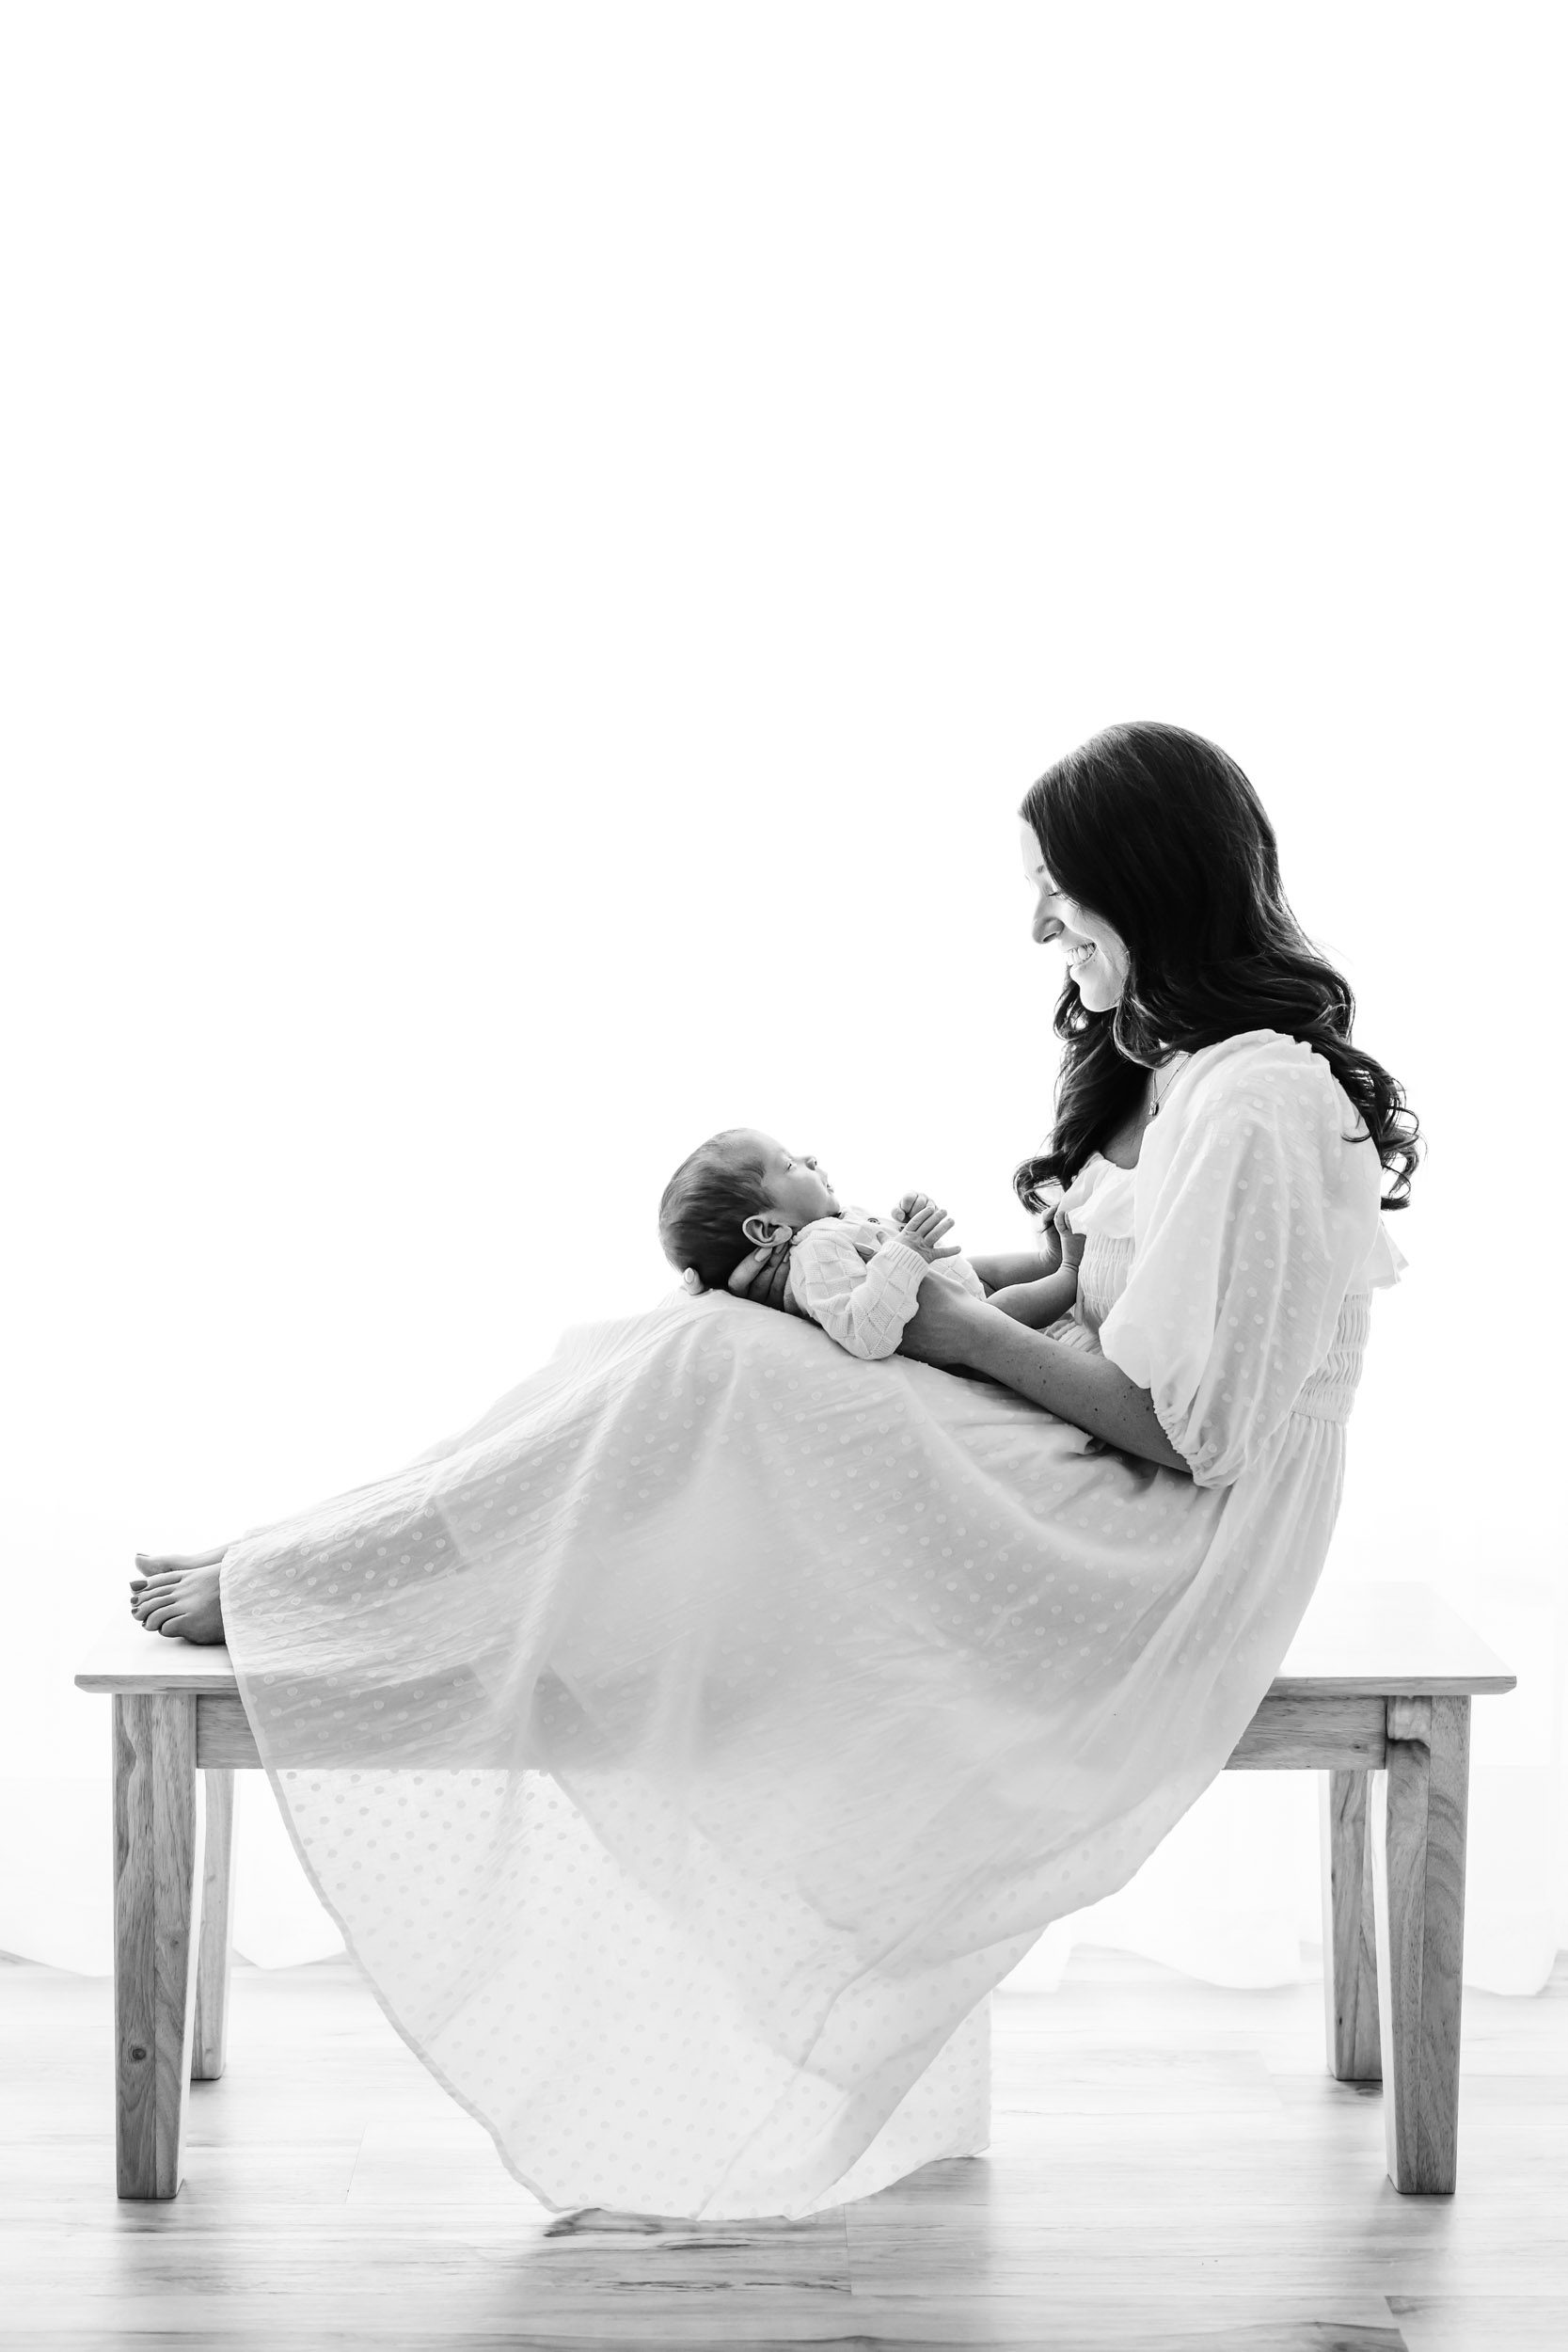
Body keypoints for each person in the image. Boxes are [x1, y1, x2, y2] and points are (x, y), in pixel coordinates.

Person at [127, 720, 1417, 2225]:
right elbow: (1089, 1291)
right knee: (673, 1345)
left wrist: (930, 1325)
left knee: (702, 1367)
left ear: (1146, 884)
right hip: (1092, 1475)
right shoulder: (1195, 1072)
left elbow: (1179, 1428)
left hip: (1156, 1541)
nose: (1033, 926)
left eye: (1057, 891)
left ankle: (314, 1577)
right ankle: (319, 1558)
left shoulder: (1255, 1097)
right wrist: (920, 1299)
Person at [656, 1128, 1085, 1359]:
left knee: (981, 1269)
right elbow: (863, 1330)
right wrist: (906, 1252)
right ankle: (1068, 1275)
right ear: (766, 1231)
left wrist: (906, 1226)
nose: (809, 1159)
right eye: (788, 1165)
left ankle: (1049, 1260)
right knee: (997, 1310)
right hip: (963, 1332)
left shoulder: (833, 1226)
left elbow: (885, 1267)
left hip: (957, 1291)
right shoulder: (813, 1254)